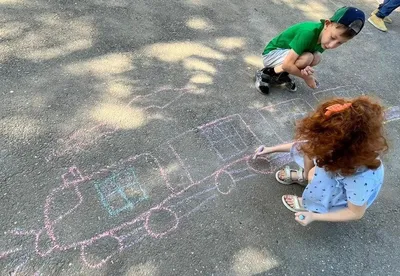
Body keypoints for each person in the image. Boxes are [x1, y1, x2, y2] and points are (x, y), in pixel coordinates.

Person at [253, 96, 388, 226]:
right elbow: (306, 145)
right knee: (311, 154)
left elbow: (355, 212)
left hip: (340, 191)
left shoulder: (361, 177)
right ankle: (305, 177)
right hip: (333, 169)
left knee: (315, 172)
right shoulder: (337, 143)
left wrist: (314, 216)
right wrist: (270, 149)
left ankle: (311, 203)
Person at [255, 6, 365, 94]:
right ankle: (266, 72)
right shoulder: (308, 32)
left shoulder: (324, 38)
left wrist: (305, 69)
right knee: (307, 58)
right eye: (333, 37)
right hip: (272, 54)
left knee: (316, 57)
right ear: (327, 24)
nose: (332, 45)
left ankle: (280, 74)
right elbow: (288, 64)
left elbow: (307, 59)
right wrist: (307, 78)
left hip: (288, 56)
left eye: (340, 43)